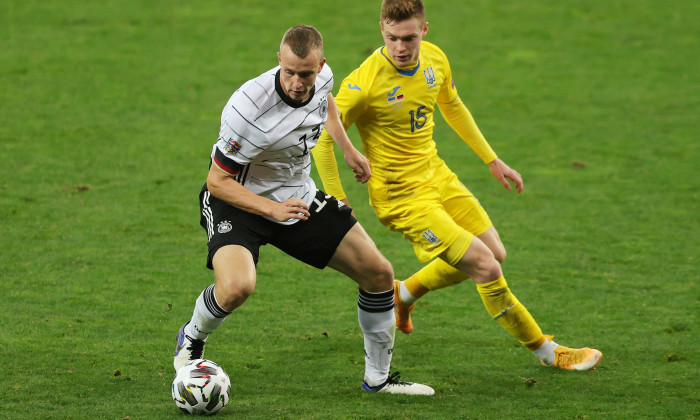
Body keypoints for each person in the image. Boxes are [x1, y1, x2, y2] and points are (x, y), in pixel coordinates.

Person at [312, 0, 602, 371]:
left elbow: (452, 104)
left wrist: (491, 159)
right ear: (381, 30)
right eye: (392, 38)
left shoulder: (434, 59)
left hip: (437, 176)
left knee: (495, 252)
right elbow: (323, 138)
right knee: (485, 266)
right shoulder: (364, 83)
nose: (401, 47)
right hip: (401, 197)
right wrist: (338, 199)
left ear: (425, 30)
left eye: (409, 38)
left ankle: (402, 293)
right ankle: (549, 351)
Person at [173, 24, 434, 395]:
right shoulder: (247, 109)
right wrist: (271, 209)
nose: (297, 82)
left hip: (297, 199)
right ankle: (191, 337)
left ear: (320, 66)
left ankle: (378, 380)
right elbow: (217, 182)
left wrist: (347, 148)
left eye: (306, 74)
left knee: (379, 274)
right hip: (238, 202)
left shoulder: (322, 78)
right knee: (236, 288)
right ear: (279, 60)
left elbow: (324, 102)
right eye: (290, 72)